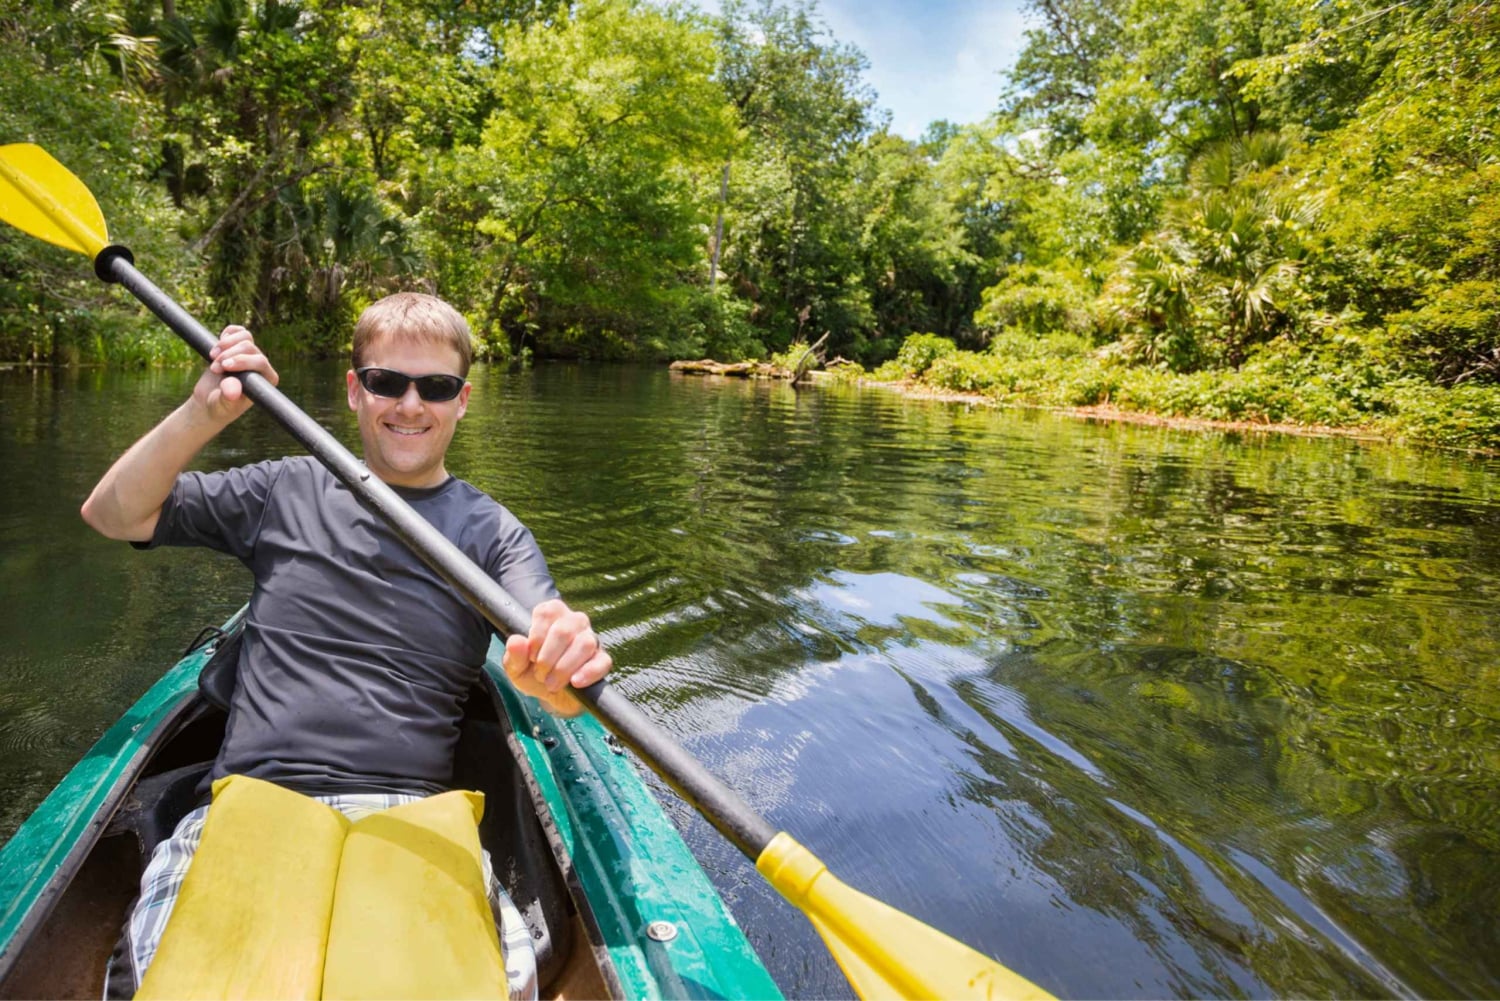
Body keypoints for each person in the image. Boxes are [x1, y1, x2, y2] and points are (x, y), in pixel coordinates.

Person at [80, 292, 610, 998]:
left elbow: (550, 653)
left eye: (436, 386)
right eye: (388, 381)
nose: (411, 404)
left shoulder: (493, 532)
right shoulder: (284, 487)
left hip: (411, 809)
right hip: (254, 796)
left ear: (462, 400)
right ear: (355, 390)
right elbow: (113, 514)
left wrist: (558, 668)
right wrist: (204, 413)